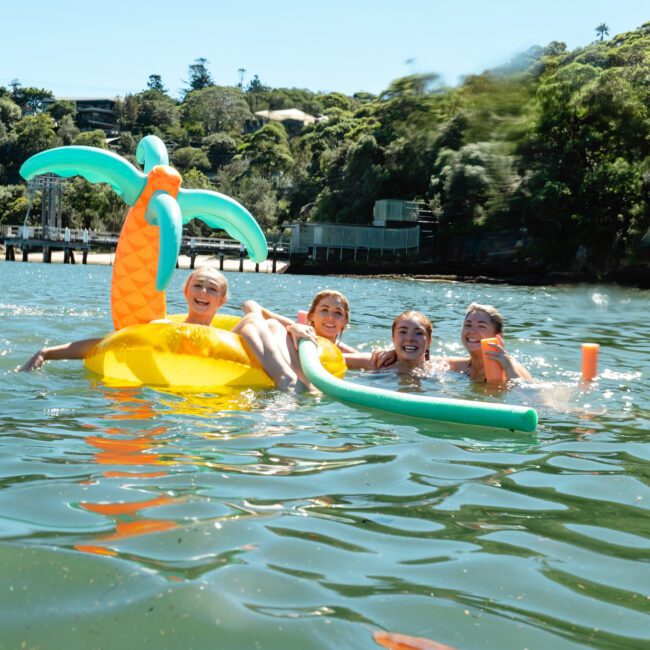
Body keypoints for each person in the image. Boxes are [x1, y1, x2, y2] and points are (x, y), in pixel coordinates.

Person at [20, 266, 229, 372]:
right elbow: (109, 345)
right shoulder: (163, 329)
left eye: (212, 289)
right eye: (198, 285)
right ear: (185, 291)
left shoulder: (228, 339)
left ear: (222, 300)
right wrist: (46, 353)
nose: (203, 292)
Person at [373, 302, 532, 382]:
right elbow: (420, 359)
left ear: (498, 335)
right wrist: (395, 351)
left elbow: (531, 396)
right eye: (468, 325)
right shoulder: (460, 366)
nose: (472, 331)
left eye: (481, 326)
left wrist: (508, 366)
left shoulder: (509, 366)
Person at [345, 311, 436, 376]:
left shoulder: (440, 366)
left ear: (429, 341)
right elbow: (332, 358)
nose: (410, 339)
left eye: (419, 333)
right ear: (393, 338)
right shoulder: (377, 362)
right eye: (403, 332)